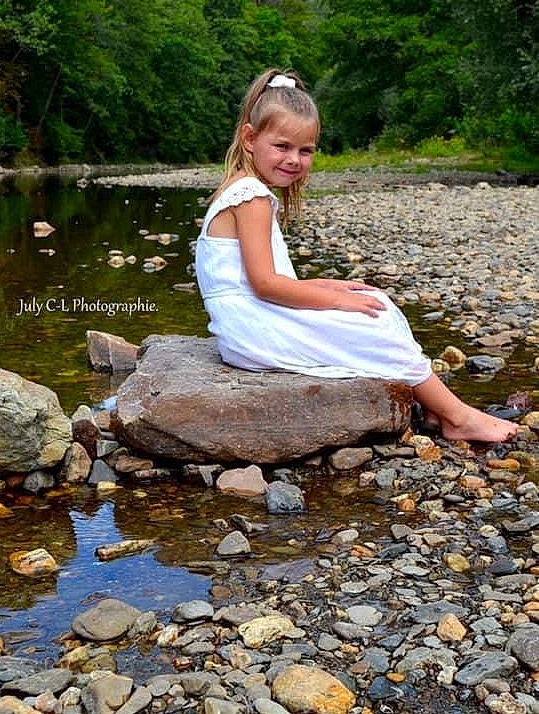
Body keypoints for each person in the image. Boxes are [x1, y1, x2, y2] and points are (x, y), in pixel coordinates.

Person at [196, 69, 517, 443]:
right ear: (250, 139)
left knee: (372, 301)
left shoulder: (246, 187)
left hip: (249, 317)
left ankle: (431, 404)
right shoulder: (251, 195)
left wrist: (330, 286)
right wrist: (334, 300)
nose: (294, 160)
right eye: (282, 147)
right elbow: (265, 285)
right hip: (250, 328)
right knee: (372, 326)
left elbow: (255, 278)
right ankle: (456, 417)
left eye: (306, 150)